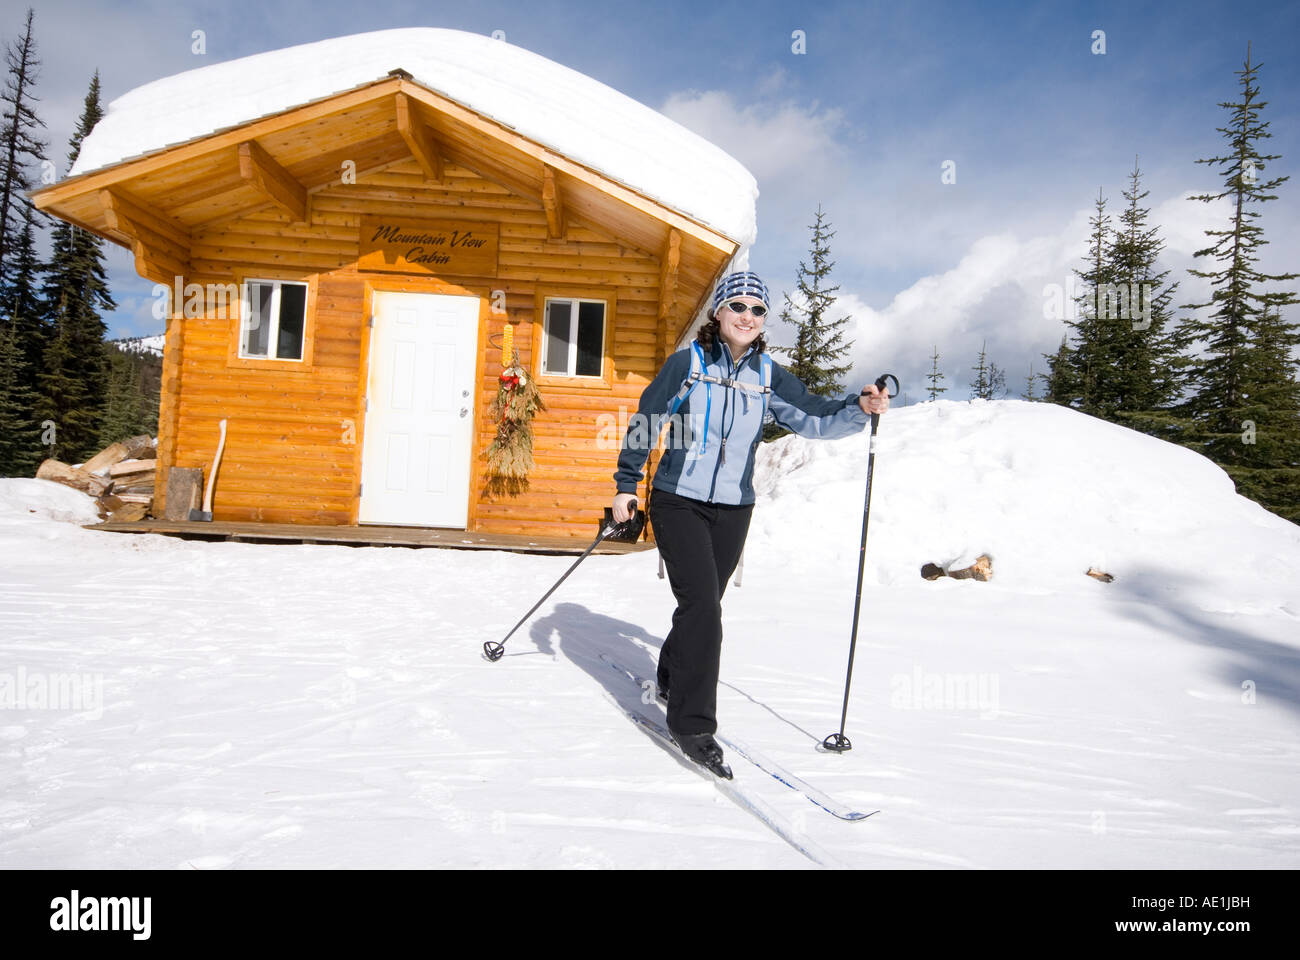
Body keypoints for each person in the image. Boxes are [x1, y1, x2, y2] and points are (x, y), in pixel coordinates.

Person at [610, 270, 889, 776]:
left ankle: (672, 671)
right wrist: (627, 484)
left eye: (757, 310)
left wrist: (859, 407)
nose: (747, 316)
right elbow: (647, 420)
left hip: (735, 506)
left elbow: (815, 416)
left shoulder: (767, 376)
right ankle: (693, 725)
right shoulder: (688, 365)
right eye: (736, 305)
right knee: (702, 609)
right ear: (717, 314)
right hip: (678, 499)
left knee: (704, 603)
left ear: (764, 321)